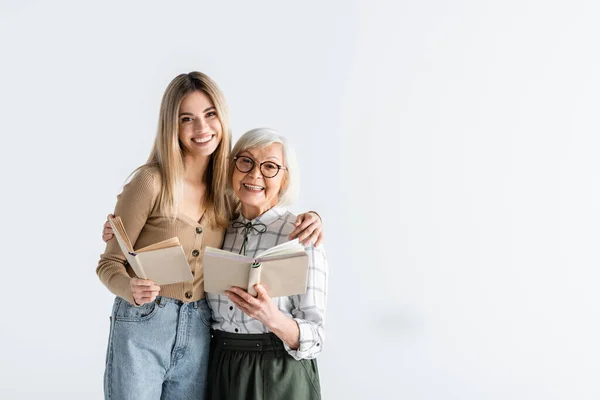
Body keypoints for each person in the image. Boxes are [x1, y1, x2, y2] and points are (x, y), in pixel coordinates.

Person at [97, 72, 323, 400]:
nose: (202, 129)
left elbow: (264, 209)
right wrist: (129, 288)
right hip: (144, 322)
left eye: (210, 114)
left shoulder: (227, 194)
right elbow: (108, 264)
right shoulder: (150, 183)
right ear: (171, 126)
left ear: (222, 117)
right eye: (187, 118)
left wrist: (314, 218)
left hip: (202, 329)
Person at [206, 128, 328, 400]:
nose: (254, 174)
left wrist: (271, 317)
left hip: (280, 371)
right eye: (246, 161)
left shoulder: (302, 235)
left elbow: (315, 337)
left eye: (270, 166)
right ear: (232, 168)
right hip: (221, 366)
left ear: (285, 179)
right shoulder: (217, 227)